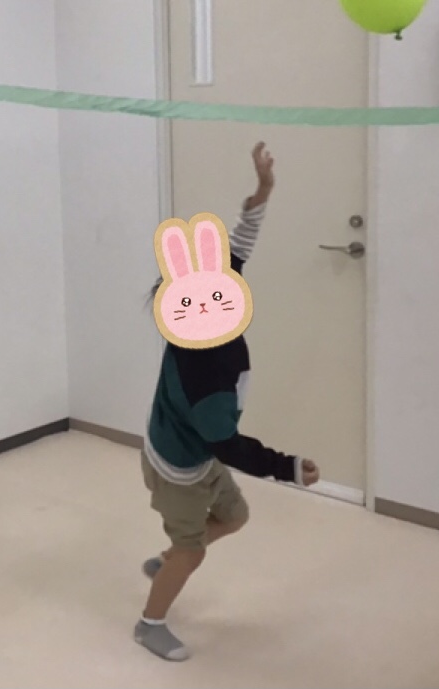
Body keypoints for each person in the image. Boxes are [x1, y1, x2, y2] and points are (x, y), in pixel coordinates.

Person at [135, 142, 320, 662]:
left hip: (194, 452)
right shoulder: (207, 375)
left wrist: (262, 191)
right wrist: (287, 467)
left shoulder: (207, 308)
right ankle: (150, 623)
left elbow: (239, 245)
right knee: (192, 551)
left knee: (234, 518)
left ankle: (168, 560)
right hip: (178, 468)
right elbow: (229, 444)